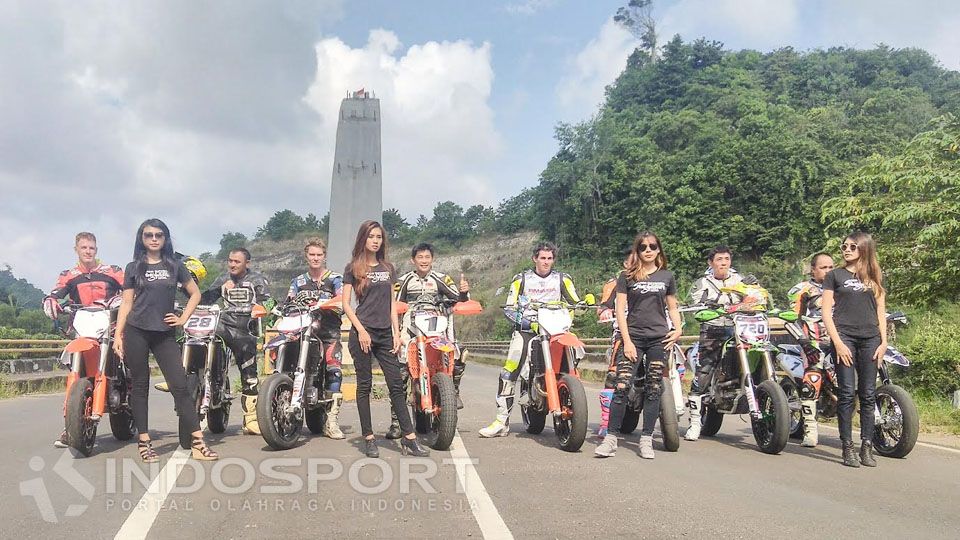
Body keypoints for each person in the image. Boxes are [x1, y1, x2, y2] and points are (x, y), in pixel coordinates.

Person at [113, 219, 218, 462]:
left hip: (164, 333)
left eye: (158, 235)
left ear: (165, 238)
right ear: (142, 238)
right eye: (148, 234)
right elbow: (126, 303)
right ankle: (144, 442)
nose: (153, 239)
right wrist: (118, 334)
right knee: (140, 386)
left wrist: (182, 318)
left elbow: (195, 294)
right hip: (136, 331)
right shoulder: (132, 268)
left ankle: (197, 442)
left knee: (180, 386)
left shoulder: (175, 266)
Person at [342, 220, 430, 458]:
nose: (375, 240)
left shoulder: (387, 268)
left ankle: (409, 438)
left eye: (379, 237)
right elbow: (346, 304)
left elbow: (392, 303)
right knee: (365, 386)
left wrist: (396, 332)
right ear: (364, 239)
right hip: (362, 332)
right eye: (371, 236)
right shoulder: (352, 268)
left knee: (396, 386)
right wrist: (360, 330)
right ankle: (369, 437)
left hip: (385, 334)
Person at [479, 241, 581, 438]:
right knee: (509, 370)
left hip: (556, 329)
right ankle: (501, 421)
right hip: (527, 329)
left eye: (550, 258)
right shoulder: (522, 279)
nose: (546, 262)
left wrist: (585, 305)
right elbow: (509, 307)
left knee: (575, 354)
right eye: (542, 258)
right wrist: (524, 320)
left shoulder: (562, 279)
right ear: (535, 258)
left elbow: (575, 302)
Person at [595, 232, 682, 459]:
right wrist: (628, 342)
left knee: (654, 389)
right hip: (633, 337)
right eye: (643, 247)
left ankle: (646, 440)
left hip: (658, 338)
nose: (648, 250)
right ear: (638, 251)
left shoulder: (666, 276)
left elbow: (672, 307)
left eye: (652, 246)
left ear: (658, 249)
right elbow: (621, 312)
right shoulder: (627, 277)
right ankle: (611, 438)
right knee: (622, 386)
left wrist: (679, 329)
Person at [43, 232, 124, 448]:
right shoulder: (69, 275)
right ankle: (70, 426)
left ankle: (131, 397)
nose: (88, 251)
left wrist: (123, 298)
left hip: (110, 324)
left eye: (92, 248)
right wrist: (51, 301)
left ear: (96, 250)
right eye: (84, 248)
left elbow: (130, 289)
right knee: (75, 368)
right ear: (76, 249)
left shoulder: (112, 271)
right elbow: (56, 292)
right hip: (82, 326)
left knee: (129, 354)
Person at [385, 242, 471, 438]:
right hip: (411, 328)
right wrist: (396, 331)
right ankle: (396, 422)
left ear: (432, 259)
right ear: (413, 260)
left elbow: (459, 299)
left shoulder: (442, 278)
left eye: (427, 257)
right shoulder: (404, 280)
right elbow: (393, 303)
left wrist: (464, 291)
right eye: (420, 257)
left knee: (457, 354)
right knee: (399, 370)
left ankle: (453, 391)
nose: (424, 261)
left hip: (437, 326)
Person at [822, 232, 887, 468]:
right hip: (845, 337)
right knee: (848, 393)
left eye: (852, 246)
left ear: (864, 249)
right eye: (844, 246)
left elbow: (881, 310)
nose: (846, 250)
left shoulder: (874, 275)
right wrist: (838, 343)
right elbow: (826, 312)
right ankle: (847, 446)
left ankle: (866, 446)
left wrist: (884, 342)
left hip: (870, 339)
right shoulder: (834, 276)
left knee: (868, 394)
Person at [199, 247, 275, 436]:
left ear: (247, 263)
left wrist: (262, 308)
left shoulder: (257, 280)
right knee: (204, 341)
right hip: (222, 325)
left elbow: (270, 301)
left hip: (245, 329)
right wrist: (187, 290)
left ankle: (250, 419)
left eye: (237, 262)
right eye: (230, 261)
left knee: (249, 373)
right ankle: (206, 380)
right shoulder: (223, 279)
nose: (232, 265)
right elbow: (206, 298)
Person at [284, 238, 346, 439]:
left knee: (333, 369)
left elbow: (342, 299)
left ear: (324, 256)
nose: (316, 258)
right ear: (306, 256)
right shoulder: (298, 281)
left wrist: (329, 303)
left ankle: (332, 421)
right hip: (302, 330)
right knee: (286, 360)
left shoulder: (335, 278)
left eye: (319, 255)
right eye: (312, 254)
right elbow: (288, 302)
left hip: (328, 330)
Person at [684, 245, 743, 442]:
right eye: (719, 259)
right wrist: (708, 304)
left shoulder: (739, 280)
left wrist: (756, 289)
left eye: (726, 258)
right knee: (704, 371)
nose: (723, 263)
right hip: (713, 329)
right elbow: (693, 304)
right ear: (711, 263)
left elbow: (757, 298)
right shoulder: (702, 282)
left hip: (739, 329)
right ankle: (694, 423)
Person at [785, 252, 835, 447]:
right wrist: (804, 343)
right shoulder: (802, 289)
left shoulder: (843, 285)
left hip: (843, 340)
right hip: (814, 342)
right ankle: (810, 430)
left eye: (831, 267)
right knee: (812, 379)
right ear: (813, 270)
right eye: (824, 267)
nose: (828, 271)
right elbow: (791, 319)